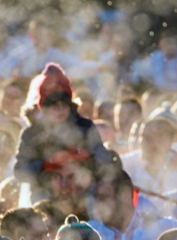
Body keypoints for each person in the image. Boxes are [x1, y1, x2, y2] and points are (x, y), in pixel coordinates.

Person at [13, 63, 109, 200]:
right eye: (54, 106)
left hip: (82, 193)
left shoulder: (85, 127)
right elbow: (20, 171)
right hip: (45, 195)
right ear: (44, 109)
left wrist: (83, 158)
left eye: (64, 105)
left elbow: (104, 159)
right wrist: (47, 163)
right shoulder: (32, 134)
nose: (60, 110)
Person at [88, 167, 177, 240]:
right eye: (96, 198)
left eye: (103, 197)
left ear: (125, 195)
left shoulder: (161, 227)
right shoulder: (89, 233)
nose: (97, 205)